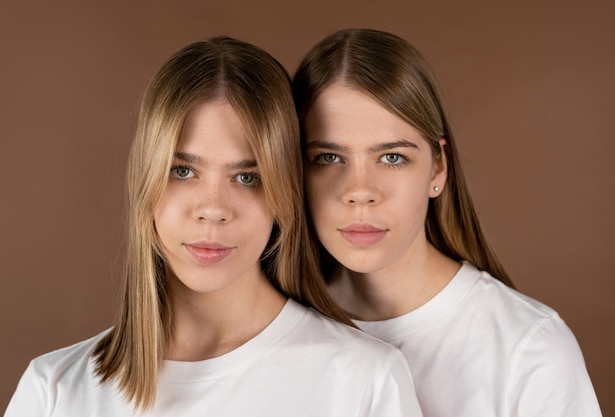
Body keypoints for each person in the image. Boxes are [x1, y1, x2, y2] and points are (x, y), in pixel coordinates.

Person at [4, 36, 422, 417]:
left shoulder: (363, 380)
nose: (212, 210)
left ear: (284, 192)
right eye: (183, 171)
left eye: (247, 177)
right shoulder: (54, 389)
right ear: (144, 179)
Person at [292, 28, 602, 417]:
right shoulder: (275, 329)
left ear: (438, 167)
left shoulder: (528, 346)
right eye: (327, 158)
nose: (359, 191)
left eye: (391, 157)